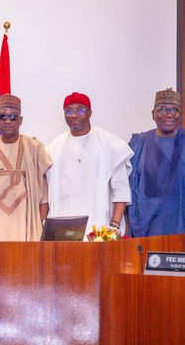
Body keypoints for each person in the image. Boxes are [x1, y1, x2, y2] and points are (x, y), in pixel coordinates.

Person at [0, 94, 52, 241]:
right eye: (3, 116)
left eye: (13, 116)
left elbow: (43, 195)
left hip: (25, 228)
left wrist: (43, 226)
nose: (8, 120)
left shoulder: (33, 148)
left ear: (20, 120)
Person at [47, 92, 132, 236]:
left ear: (90, 113)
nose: (74, 115)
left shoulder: (110, 143)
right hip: (62, 229)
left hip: (99, 229)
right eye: (69, 110)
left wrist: (114, 226)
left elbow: (121, 190)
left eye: (80, 110)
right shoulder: (54, 147)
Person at [128, 88, 185, 236]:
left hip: (181, 222)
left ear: (180, 114)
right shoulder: (139, 144)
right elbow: (130, 188)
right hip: (147, 228)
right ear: (153, 114)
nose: (169, 114)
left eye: (175, 109)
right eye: (162, 109)